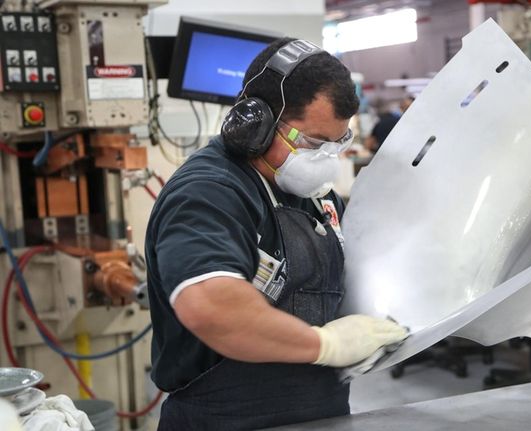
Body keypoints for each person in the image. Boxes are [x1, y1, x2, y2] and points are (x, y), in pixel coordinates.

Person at [145, 38, 408, 430]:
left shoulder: (313, 195)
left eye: (336, 144)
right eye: (312, 143)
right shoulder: (207, 192)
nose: (324, 160)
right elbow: (210, 306)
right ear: (254, 122)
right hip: (224, 418)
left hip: (320, 413)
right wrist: (327, 345)